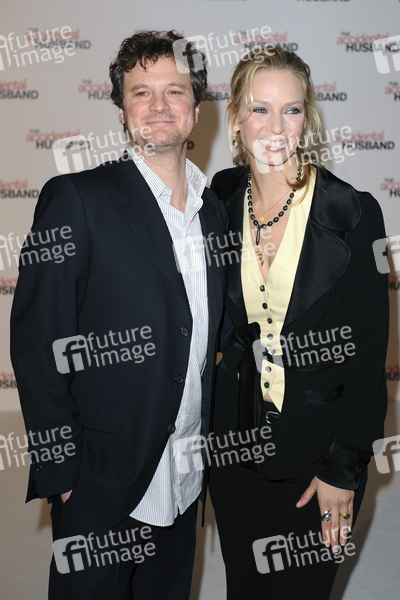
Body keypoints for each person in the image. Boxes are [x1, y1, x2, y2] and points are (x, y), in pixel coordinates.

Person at [10, 30, 227, 600]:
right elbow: (37, 347)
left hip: (184, 480)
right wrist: (65, 478)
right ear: (122, 110)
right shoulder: (77, 199)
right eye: (141, 92)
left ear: (196, 110)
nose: (158, 106)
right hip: (100, 485)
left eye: (174, 91)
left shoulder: (215, 215)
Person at [209, 46, 388, 600]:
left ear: (306, 118)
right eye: (259, 109)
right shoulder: (218, 199)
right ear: (236, 118)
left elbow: (367, 358)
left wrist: (343, 467)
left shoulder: (353, 212)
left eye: (291, 110)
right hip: (234, 450)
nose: (275, 126)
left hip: (318, 459)